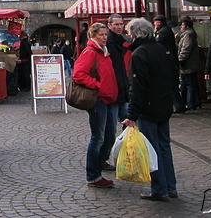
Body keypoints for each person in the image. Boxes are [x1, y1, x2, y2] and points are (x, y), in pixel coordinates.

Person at [123, 18, 178, 202]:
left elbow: (138, 87)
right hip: (164, 104)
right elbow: (173, 76)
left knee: (152, 149)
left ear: (135, 34)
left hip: (148, 107)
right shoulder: (163, 50)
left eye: (130, 33)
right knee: (164, 147)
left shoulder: (139, 54)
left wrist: (132, 114)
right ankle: (170, 186)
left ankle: (159, 188)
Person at [72, 22, 118, 188]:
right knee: (98, 138)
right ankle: (93, 175)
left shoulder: (104, 52)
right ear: (93, 36)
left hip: (108, 99)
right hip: (98, 100)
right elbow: (78, 74)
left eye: (106, 35)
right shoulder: (91, 52)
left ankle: (98, 170)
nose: (105, 38)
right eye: (101, 35)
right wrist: (97, 85)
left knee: (109, 136)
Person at [103, 13, 131, 169]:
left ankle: (124, 154)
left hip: (123, 89)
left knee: (128, 123)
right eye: (116, 24)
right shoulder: (108, 42)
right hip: (113, 91)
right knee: (110, 129)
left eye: (121, 24)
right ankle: (106, 157)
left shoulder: (122, 41)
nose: (119, 27)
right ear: (110, 25)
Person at [154, 15, 184, 114]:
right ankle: (178, 105)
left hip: (168, 61)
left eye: (156, 22)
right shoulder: (165, 30)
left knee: (171, 85)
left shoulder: (163, 32)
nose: (155, 24)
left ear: (160, 22)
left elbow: (157, 43)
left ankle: (178, 105)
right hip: (170, 60)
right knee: (172, 86)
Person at [177, 18, 202, 111]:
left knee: (189, 83)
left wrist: (180, 60)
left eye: (182, 25)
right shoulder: (185, 35)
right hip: (188, 64)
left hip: (188, 64)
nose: (180, 26)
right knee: (188, 83)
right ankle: (191, 102)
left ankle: (191, 103)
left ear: (186, 26)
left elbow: (185, 49)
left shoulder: (188, 35)